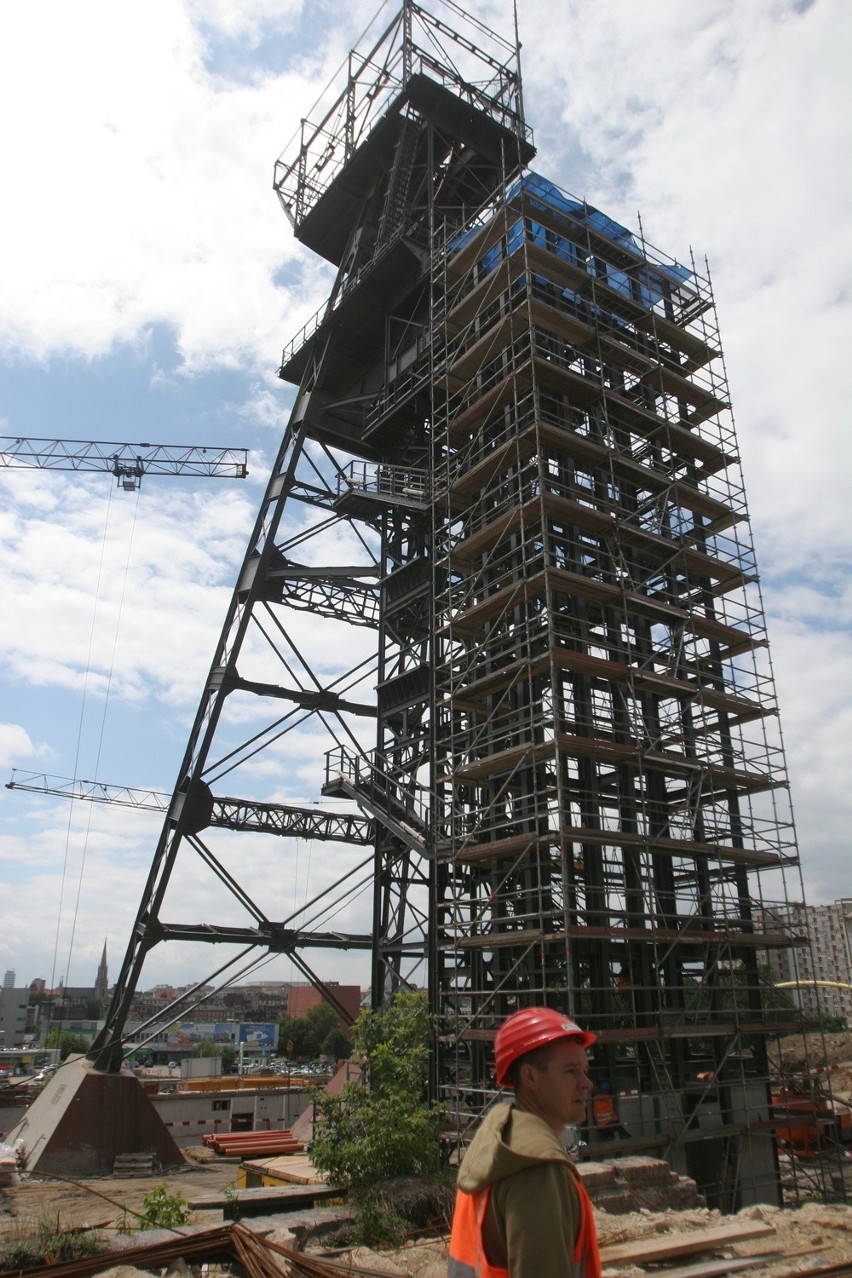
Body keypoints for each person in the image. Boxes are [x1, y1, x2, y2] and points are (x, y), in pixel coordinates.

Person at [448, 1007, 602, 1278]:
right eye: (571, 1071)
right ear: (530, 1077)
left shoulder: (493, 1149)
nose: (586, 1083)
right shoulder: (536, 1170)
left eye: (585, 1070)